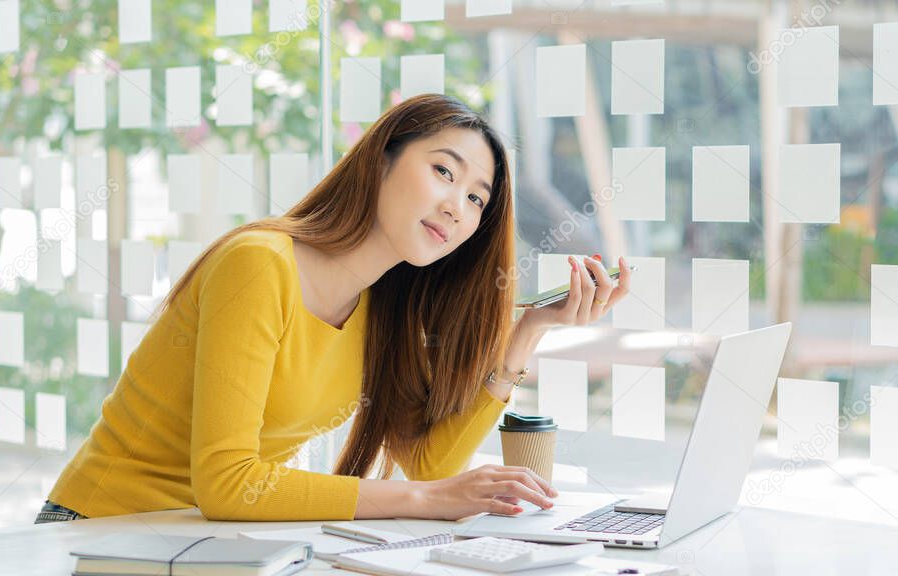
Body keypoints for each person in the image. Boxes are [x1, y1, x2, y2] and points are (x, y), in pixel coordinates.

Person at [35, 94, 633, 524]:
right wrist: (424, 502)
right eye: (443, 171)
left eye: (477, 198)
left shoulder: (383, 311)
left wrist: (526, 335)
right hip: (100, 530)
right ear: (380, 161)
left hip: (208, 545)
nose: (457, 206)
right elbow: (227, 483)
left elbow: (430, 466)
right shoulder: (259, 264)